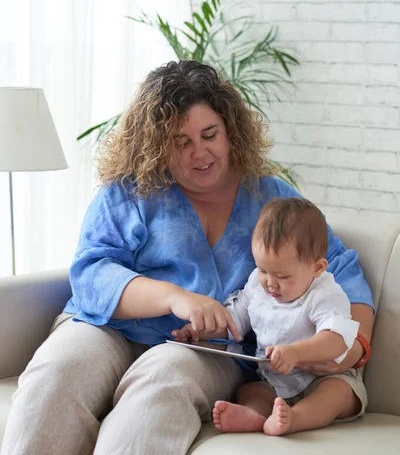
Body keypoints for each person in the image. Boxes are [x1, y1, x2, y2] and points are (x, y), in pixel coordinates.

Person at [1, 60, 374, 455]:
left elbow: (339, 269)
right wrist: (174, 298)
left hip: (203, 353)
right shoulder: (129, 192)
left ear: (230, 130)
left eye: (209, 134)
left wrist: (353, 349)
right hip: (103, 328)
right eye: (181, 142)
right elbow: (92, 272)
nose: (200, 153)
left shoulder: (271, 198)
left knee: (162, 383)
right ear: (155, 145)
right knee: (56, 375)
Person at [173, 197, 368, 436]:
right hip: (274, 381)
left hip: (322, 378)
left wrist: (296, 353)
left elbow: (336, 339)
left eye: (283, 276)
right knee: (251, 391)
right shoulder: (258, 283)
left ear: (317, 268)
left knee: (337, 394)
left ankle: (295, 419)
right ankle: (253, 414)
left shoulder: (326, 293)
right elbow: (236, 319)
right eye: (263, 270)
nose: (270, 283)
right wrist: (199, 331)